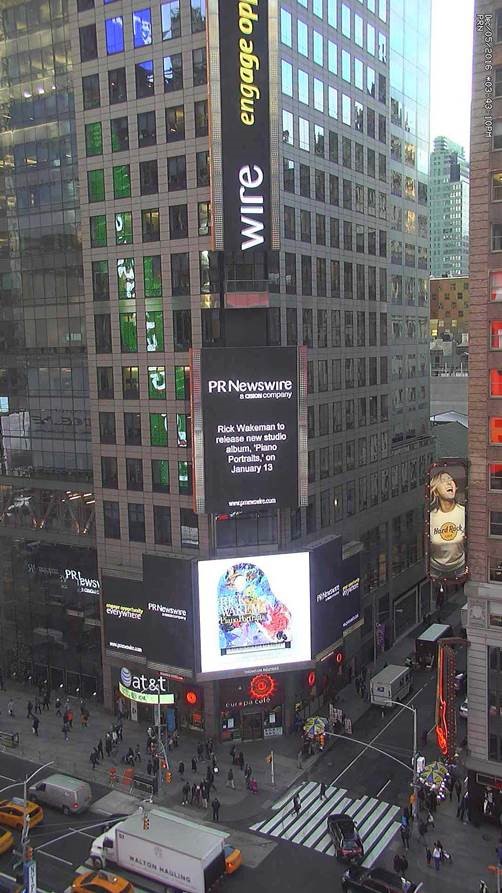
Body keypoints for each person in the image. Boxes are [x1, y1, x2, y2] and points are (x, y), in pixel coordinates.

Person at [429, 471, 466, 580]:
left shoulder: (464, 512)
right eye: (444, 481)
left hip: (460, 568)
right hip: (435, 570)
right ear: (435, 492)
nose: (449, 483)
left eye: (451, 479)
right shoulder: (430, 518)